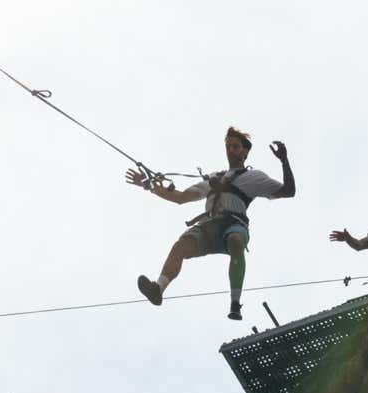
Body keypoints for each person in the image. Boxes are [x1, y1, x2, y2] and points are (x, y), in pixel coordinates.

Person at [125, 127, 296, 320]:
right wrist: (149, 185)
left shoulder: (253, 177)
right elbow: (181, 197)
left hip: (234, 223)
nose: (231, 150)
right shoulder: (215, 178)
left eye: (236, 146)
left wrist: (284, 161)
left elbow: (289, 191)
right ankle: (158, 288)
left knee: (236, 241)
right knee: (180, 246)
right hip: (210, 225)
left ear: (245, 152)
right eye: (228, 146)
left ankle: (235, 303)